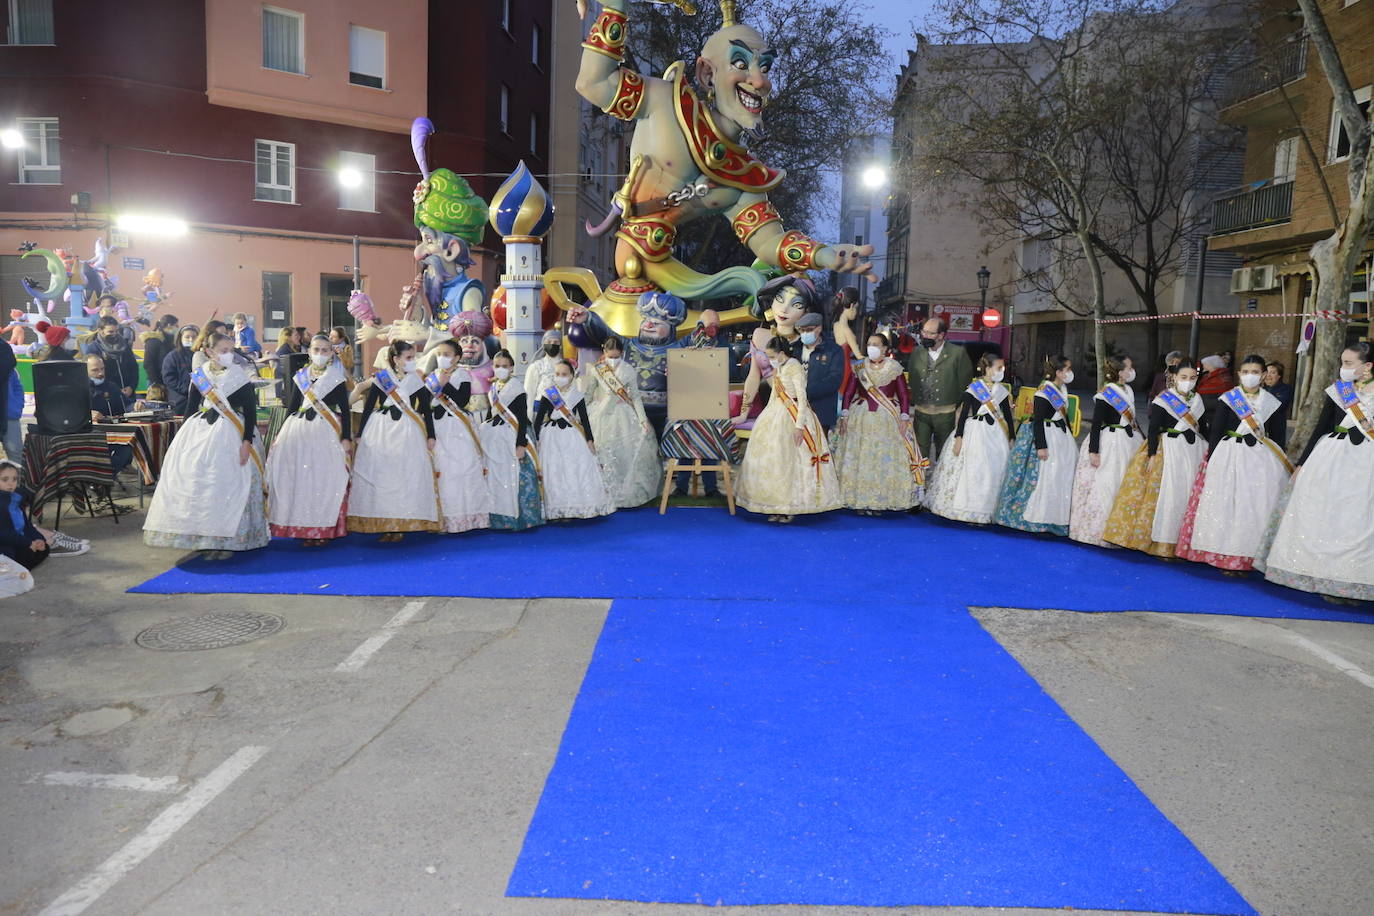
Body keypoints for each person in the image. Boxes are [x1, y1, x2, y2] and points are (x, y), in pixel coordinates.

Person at [1259, 342, 1374, 602]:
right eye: (1342, 363)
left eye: (1348, 364)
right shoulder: (1340, 391)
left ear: (1367, 366)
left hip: (1366, 463)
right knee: (1325, 515)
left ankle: (1354, 580)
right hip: (1331, 459)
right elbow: (1320, 427)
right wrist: (1301, 463)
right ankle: (1319, 576)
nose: (1343, 369)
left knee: (1357, 520)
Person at [143, 332, 269, 555]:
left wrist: (246, 442)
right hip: (201, 432)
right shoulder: (200, 376)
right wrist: (181, 440)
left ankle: (231, 538)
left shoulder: (239, 376)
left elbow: (250, 412)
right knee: (201, 484)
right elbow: (191, 407)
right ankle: (202, 535)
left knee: (229, 485)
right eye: (223, 351)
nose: (229, 355)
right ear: (209, 352)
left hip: (232, 433)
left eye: (231, 350)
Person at [1176, 354, 1289, 572]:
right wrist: (1211, 460)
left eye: (1255, 372)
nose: (1250, 376)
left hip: (1259, 460)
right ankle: (1219, 552)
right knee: (1224, 504)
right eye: (1245, 372)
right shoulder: (1229, 399)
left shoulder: (1272, 404)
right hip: (1229, 455)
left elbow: (1278, 438)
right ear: (1239, 374)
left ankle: (1246, 555)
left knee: (1251, 507)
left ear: (1264, 375)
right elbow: (1216, 432)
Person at [1103, 358, 1208, 557]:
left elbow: (1204, 427)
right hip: (1168, 450)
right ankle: (1161, 543)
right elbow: (1153, 429)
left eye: (1192, 378)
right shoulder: (1163, 399)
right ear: (1174, 377)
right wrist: (1152, 454)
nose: (1188, 381)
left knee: (1187, 494)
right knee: (1167, 495)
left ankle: (1181, 543)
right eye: (1184, 377)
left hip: (1192, 451)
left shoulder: (1197, 401)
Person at [735, 335, 842, 522]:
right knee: (775, 462)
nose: (769, 360)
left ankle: (788, 507)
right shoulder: (780, 367)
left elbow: (801, 398)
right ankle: (775, 506)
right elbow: (775, 396)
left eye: (771, 356)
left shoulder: (794, 367)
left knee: (791, 464)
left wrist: (799, 426)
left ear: (781, 353)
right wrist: (765, 416)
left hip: (793, 417)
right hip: (776, 415)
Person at [265, 334, 352, 546]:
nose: (320, 354)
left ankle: (322, 530)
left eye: (324, 350)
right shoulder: (300, 376)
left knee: (324, 480)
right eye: (316, 350)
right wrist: (280, 433)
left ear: (331, 353)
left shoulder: (336, 378)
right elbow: (293, 406)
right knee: (301, 481)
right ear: (310, 351)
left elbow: (345, 410)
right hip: (299, 432)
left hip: (326, 433)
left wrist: (346, 437)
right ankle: (303, 528)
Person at [348, 340, 440, 541]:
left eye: (413, 357)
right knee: (381, 477)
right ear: (396, 359)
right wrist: (360, 433)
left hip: (408, 431)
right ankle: (384, 524)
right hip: (381, 429)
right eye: (408, 358)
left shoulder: (415, 379)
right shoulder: (382, 378)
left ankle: (400, 525)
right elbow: (369, 404)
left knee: (403, 478)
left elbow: (425, 408)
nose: (411, 361)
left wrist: (431, 434)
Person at [834, 332, 923, 514]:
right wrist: (844, 414)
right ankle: (858, 499)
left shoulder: (894, 367)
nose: (871, 347)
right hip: (861, 418)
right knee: (860, 457)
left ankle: (880, 501)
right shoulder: (859, 366)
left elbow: (903, 394)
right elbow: (849, 392)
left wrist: (905, 417)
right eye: (869, 343)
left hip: (887, 418)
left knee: (883, 459)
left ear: (885, 348)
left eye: (876, 344)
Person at [925, 353, 1017, 524]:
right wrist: (959, 437)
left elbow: (1008, 417)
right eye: (999, 368)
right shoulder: (974, 389)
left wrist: (1012, 436)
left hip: (996, 435)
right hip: (975, 432)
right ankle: (968, 509)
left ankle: (990, 510)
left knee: (993, 470)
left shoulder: (1002, 391)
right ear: (987, 369)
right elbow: (962, 414)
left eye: (1003, 368)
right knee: (973, 469)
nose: (1002, 371)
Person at [995, 356, 1077, 535]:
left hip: (1061, 437)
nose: (1070, 373)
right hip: (1047, 438)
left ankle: (1055, 519)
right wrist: (1041, 446)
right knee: (1043, 477)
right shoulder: (1043, 392)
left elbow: (1066, 417)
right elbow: (1038, 422)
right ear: (1058, 372)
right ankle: (1036, 517)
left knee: (1058, 477)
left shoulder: (1061, 388)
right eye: (1067, 370)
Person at [1068, 356, 1142, 547]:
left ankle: (1119, 531)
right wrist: (1094, 451)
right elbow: (1095, 424)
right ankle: (1097, 531)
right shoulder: (1106, 394)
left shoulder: (1129, 390)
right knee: (1106, 483)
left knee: (1122, 485)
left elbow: (1133, 419)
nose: (1131, 371)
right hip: (1110, 443)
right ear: (1119, 372)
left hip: (1128, 441)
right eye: (1128, 368)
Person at [581, 336, 661, 508]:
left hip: (624, 413)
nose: (614, 359)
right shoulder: (598, 369)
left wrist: (642, 419)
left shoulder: (628, 370)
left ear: (622, 354)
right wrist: (580, 414)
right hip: (601, 413)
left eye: (617, 356)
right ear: (604, 353)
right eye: (611, 356)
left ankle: (626, 493)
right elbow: (589, 393)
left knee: (626, 452)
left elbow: (636, 397)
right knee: (601, 451)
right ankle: (602, 492)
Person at [533, 359, 613, 520]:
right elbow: (539, 419)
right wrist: (535, 440)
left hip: (573, 436)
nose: (560, 377)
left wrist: (590, 440)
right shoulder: (548, 394)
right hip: (551, 437)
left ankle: (575, 506)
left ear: (571, 376)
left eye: (564, 374)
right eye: (557, 374)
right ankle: (555, 508)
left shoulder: (577, 395)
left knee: (574, 470)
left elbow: (584, 419)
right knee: (554, 471)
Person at [426, 337, 492, 533]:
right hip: (436, 426)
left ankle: (465, 518)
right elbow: (426, 402)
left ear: (456, 358)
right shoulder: (432, 376)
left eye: (446, 355)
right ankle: (440, 519)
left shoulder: (462, 374)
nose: (442, 358)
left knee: (460, 470)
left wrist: (445, 384)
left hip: (456, 427)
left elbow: (462, 401)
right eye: (439, 355)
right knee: (440, 471)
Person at [481, 348, 544, 531]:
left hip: (514, 434)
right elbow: (491, 412)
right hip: (495, 435)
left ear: (512, 368)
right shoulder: (493, 388)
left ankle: (522, 519)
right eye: (497, 366)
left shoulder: (517, 388)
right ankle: (498, 518)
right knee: (496, 477)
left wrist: (520, 444)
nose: (501, 369)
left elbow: (523, 418)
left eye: (505, 366)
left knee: (516, 476)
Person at [906, 317, 975, 463]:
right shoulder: (917, 352)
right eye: (924, 332)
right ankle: (920, 482)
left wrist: (955, 405)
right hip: (921, 411)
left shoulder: (957, 353)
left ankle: (940, 482)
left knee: (944, 450)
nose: (925, 336)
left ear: (941, 335)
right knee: (919, 449)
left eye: (931, 333)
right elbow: (912, 377)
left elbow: (964, 381)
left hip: (946, 413)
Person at [0, 460, 88, 565]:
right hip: (6, 545)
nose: (11, 483)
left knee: (44, 548)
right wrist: (28, 543)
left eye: (14, 479)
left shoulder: (15, 499)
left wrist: (39, 539)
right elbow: (4, 535)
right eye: (5, 480)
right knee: (17, 554)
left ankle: (21, 564)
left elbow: (27, 526)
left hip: (19, 541)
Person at [796, 312, 845, 432]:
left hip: (821, 410)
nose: (805, 333)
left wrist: (806, 391)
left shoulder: (833, 350)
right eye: (802, 330)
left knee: (818, 447)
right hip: (795, 409)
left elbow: (834, 380)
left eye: (809, 330)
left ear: (819, 328)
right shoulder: (795, 348)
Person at [83, 316, 141, 399]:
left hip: (128, 393)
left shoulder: (124, 346)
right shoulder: (94, 349)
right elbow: (92, 375)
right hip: (107, 394)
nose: (114, 334)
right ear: (100, 331)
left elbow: (133, 367)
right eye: (110, 332)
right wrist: (114, 390)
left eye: (116, 331)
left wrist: (131, 386)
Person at [524, 329, 564, 420]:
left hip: (561, 412)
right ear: (543, 345)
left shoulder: (567, 367)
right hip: (539, 414)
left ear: (560, 345)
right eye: (549, 341)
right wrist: (528, 418)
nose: (552, 344)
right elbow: (529, 394)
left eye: (556, 342)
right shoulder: (536, 367)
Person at [161, 324, 199, 416]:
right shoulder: (173, 356)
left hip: (199, 399)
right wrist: (186, 389)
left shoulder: (200, 355)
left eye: (194, 337)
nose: (191, 339)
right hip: (180, 400)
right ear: (180, 338)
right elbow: (168, 378)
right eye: (187, 337)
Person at [140, 313, 179, 394]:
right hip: (156, 382)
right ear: (169, 325)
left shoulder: (170, 341)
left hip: (169, 381)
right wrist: (156, 383)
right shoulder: (153, 341)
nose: (177, 328)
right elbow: (148, 363)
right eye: (176, 326)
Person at [0, 337, 17, 466]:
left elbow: (17, 386)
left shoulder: (3, 349)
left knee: (15, 458)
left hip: (7, 413)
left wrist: (16, 408)